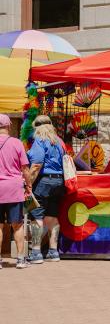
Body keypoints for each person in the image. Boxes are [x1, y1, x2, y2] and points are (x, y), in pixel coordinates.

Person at [28, 115, 66, 264]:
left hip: (43, 181)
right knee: (52, 216)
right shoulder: (60, 142)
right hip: (59, 182)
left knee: (36, 216)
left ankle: (36, 253)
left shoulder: (39, 140)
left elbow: (36, 165)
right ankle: (53, 251)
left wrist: (28, 183)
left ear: (36, 127)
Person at [0, 114, 33, 269]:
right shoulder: (17, 143)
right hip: (13, 188)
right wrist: (29, 184)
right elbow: (25, 169)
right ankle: (20, 259)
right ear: (8, 126)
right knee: (17, 225)